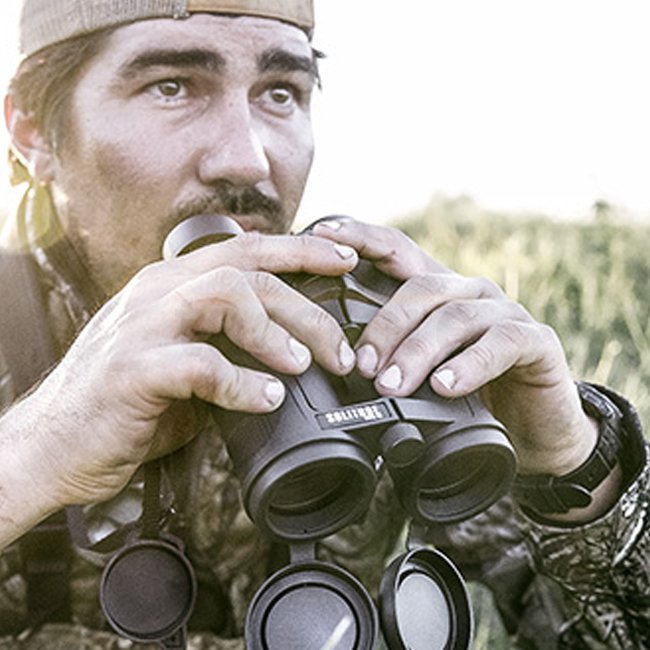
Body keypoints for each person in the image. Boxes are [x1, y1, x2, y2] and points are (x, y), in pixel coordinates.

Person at [0, 1, 647, 648]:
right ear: (32, 133)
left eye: (280, 92)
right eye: (171, 88)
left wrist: (577, 466)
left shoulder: (367, 330)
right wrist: (32, 452)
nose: (247, 159)